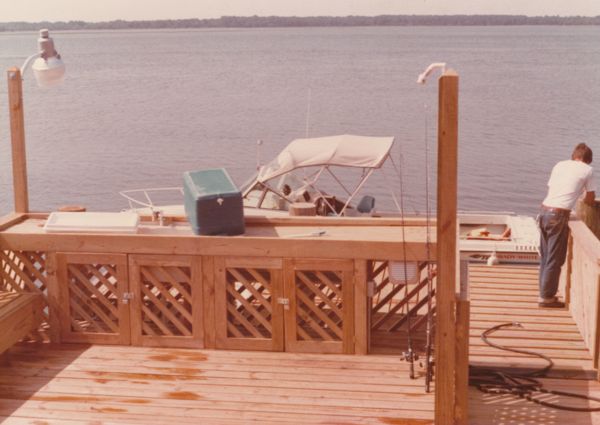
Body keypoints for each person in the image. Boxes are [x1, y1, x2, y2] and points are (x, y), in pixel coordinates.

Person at [538, 143, 596, 308]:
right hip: (558, 215)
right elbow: (590, 199)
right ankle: (546, 297)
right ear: (588, 160)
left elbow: (553, 188)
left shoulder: (559, 165)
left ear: (574, 156)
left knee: (546, 256)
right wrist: (582, 197)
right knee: (555, 259)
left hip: (543, 211)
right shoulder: (587, 170)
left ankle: (543, 292)